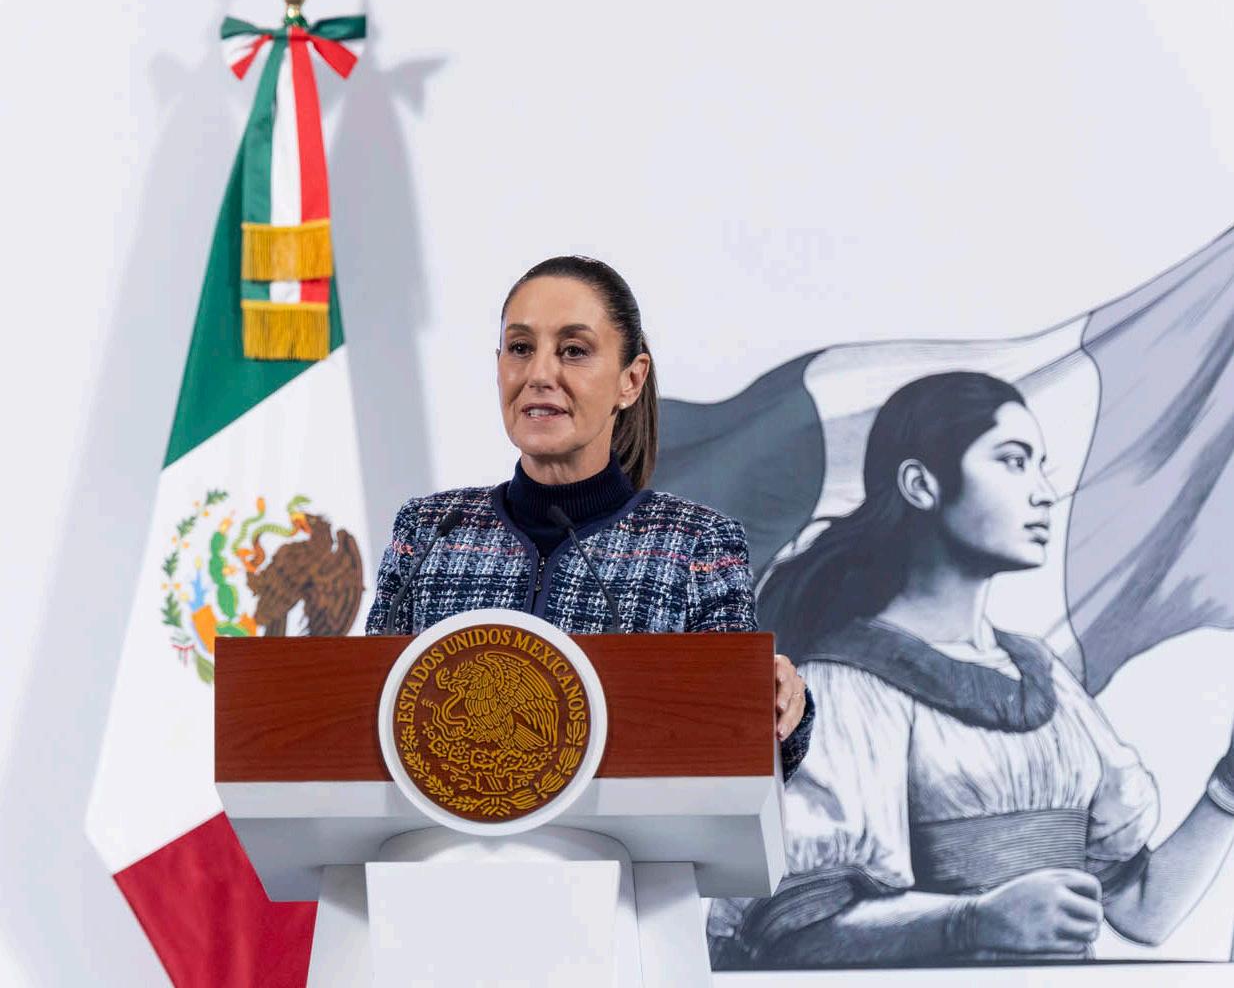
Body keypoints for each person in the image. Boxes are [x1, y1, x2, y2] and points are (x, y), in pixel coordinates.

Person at [708, 371, 1234, 967]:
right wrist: (973, 920)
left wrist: (1228, 784)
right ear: (920, 484)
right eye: (1013, 461)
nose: (1044, 493)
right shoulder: (846, 684)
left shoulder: (1045, 677)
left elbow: (1143, 913)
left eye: (1040, 466)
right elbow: (795, 930)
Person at [365, 255, 812, 773]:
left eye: (573, 351)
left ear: (630, 380)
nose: (538, 374)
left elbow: (740, 743)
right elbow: (367, 715)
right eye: (520, 348)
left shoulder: (695, 544)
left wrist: (781, 704)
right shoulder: (431, 531)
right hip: (444, 824)